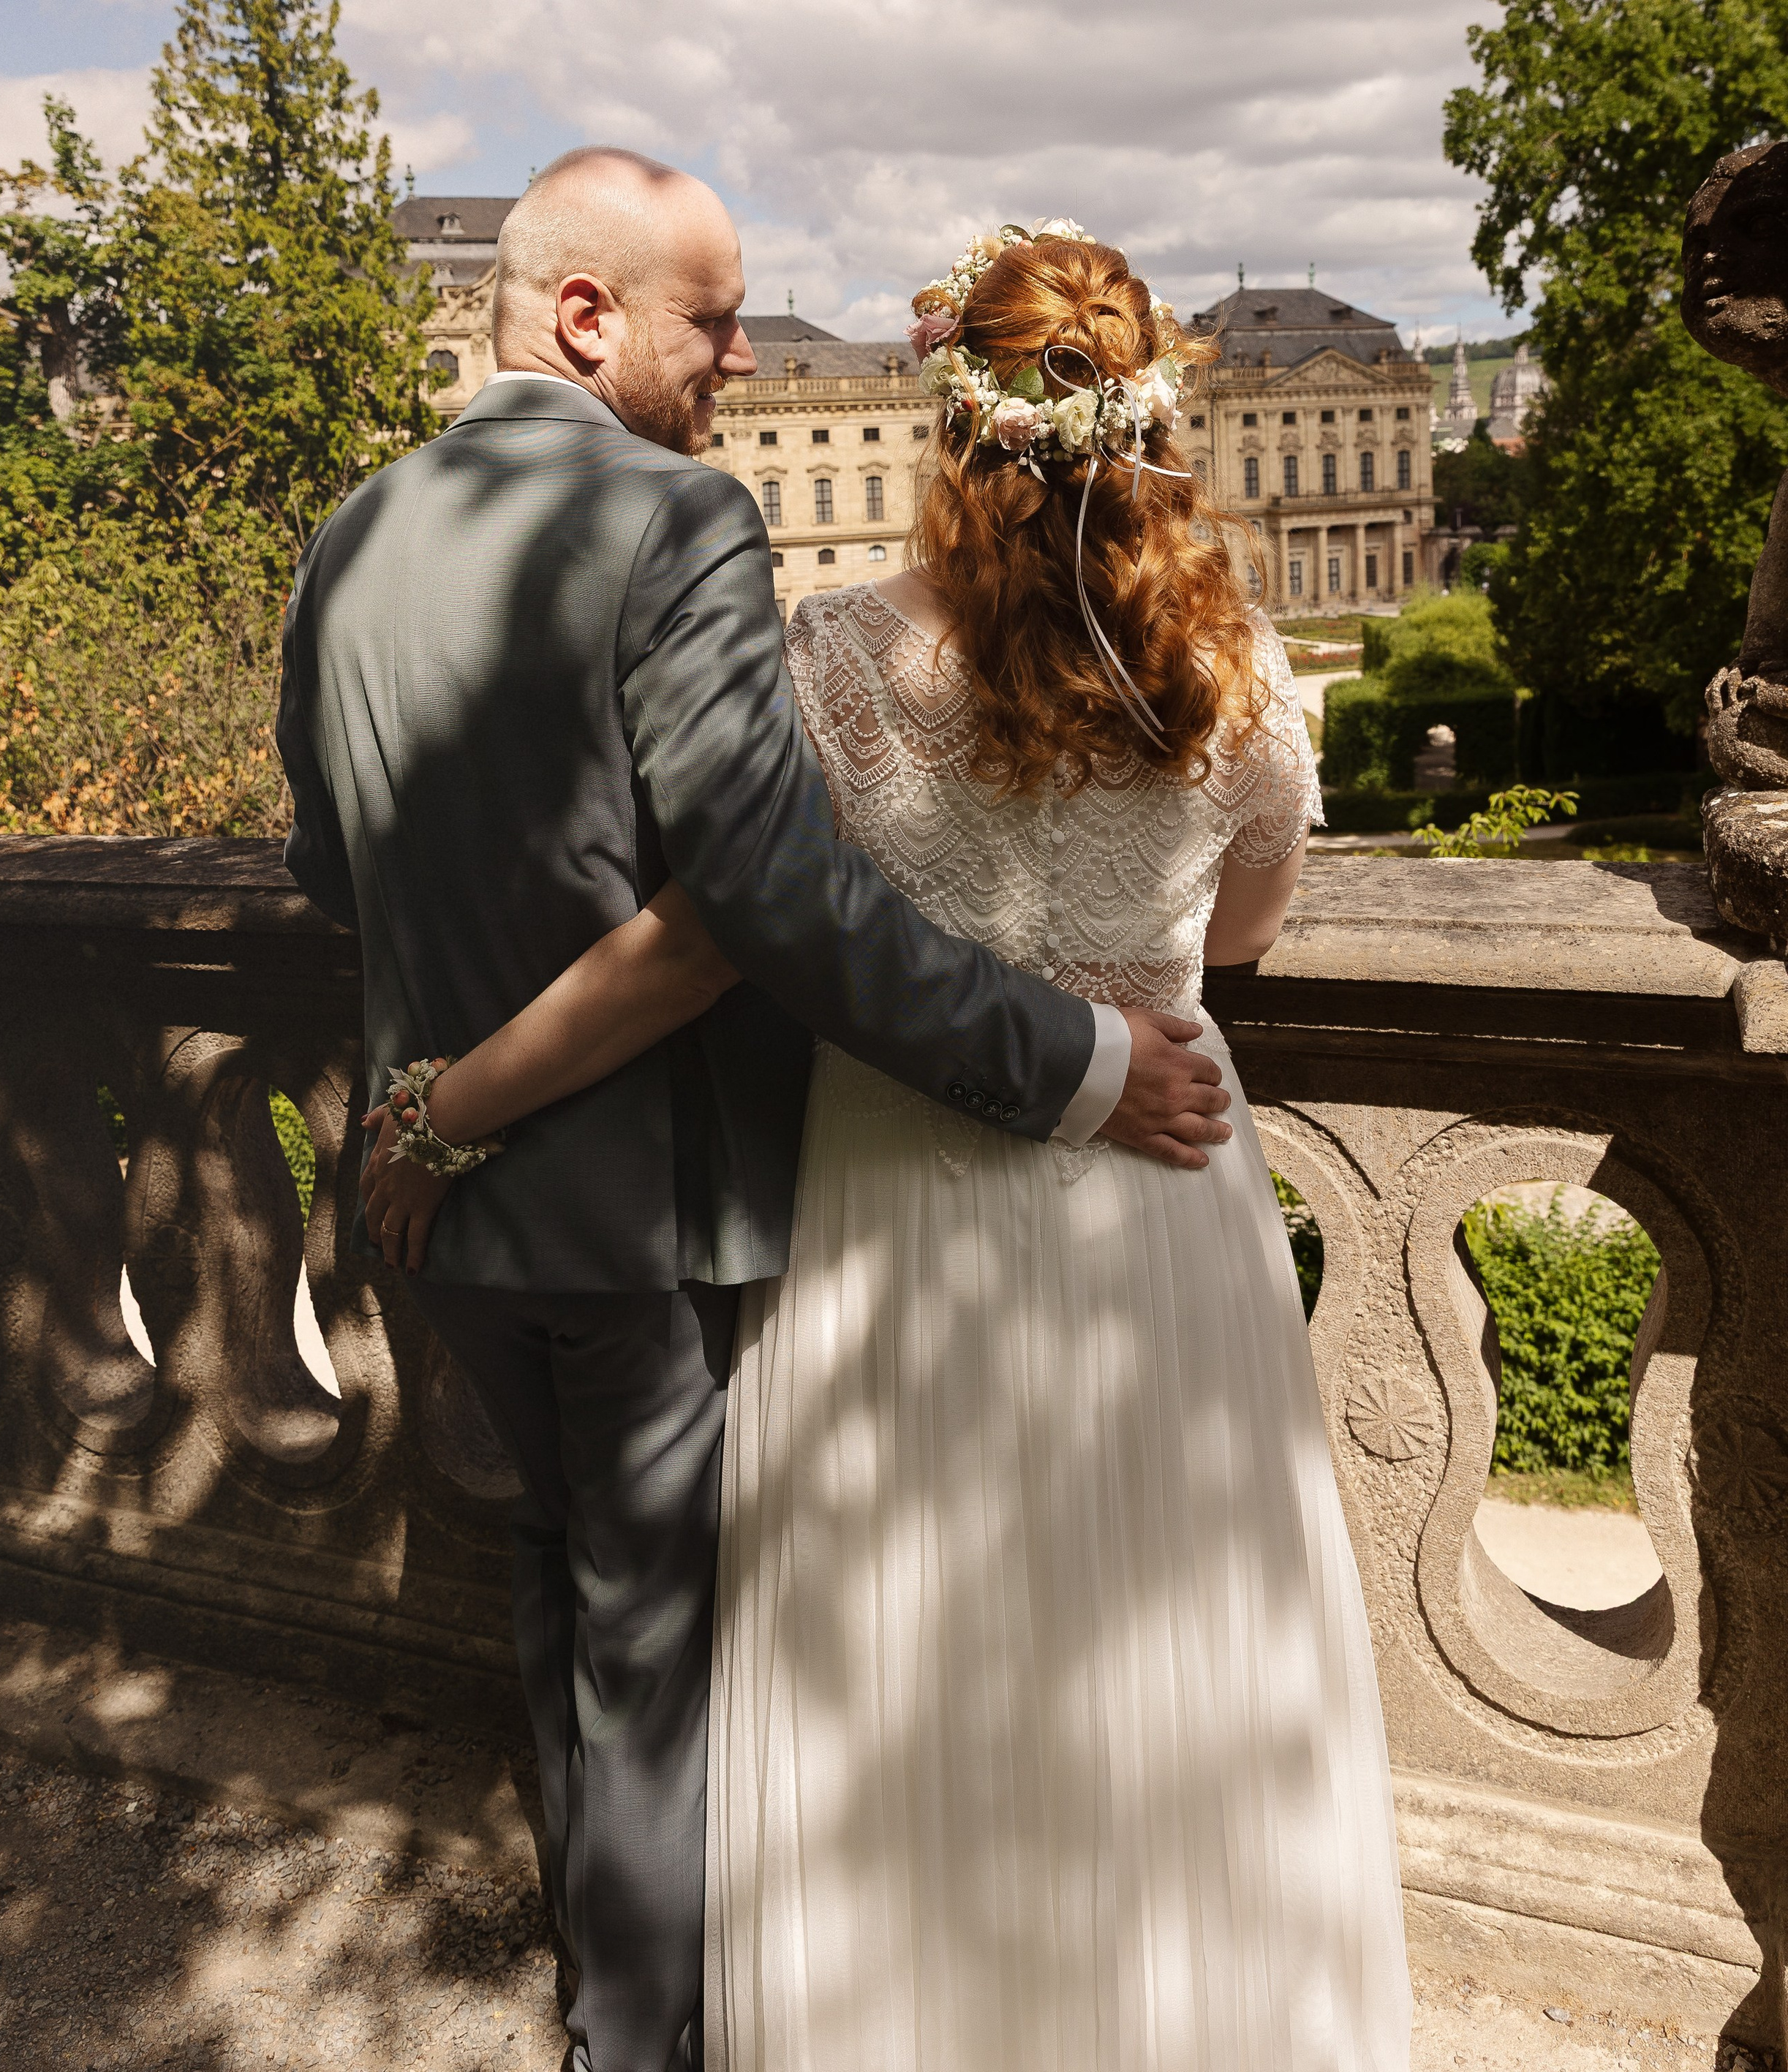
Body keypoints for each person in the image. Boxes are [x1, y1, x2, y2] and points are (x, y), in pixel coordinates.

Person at [356, 214, 1414, 2072]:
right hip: (1160, 1189)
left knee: (916, 1660)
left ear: (949, 426)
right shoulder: (1230, 666)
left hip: (897, 1207)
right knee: (1177, 1641)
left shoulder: (837, 660)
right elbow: (1242, 937)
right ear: (1154, 420)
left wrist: (457, 1103)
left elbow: (709, 944)